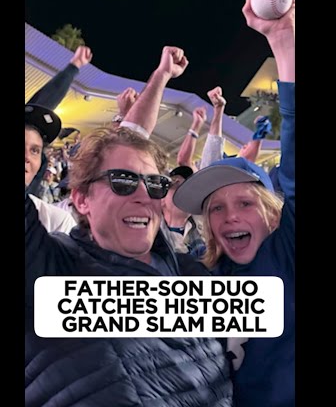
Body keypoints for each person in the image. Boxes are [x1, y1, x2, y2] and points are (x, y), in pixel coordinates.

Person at [25, 128, 232, 406]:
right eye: (123, 181)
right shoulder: (50, 266)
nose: (144, 196)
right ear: (82, 199)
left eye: (155, 184)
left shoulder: (191, 273)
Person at [173, 0, 295, 407]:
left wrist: (283, 44)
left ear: (272, 212)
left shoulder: (285, 253)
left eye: (245, 202)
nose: (229, 218)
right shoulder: (199, 277)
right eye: (216, 209)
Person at [25, 45, 93, 233]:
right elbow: (39, 104)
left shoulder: (53, 222)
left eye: (35, 150)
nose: (27, 157)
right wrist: (74, 66)